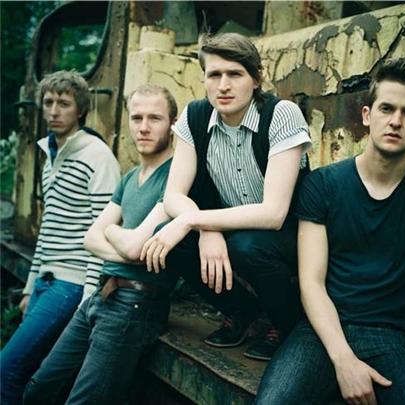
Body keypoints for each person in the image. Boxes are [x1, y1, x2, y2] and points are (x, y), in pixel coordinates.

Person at [256, 57, 405, 404]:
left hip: (395, 339)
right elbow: (311, 283)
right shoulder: (323, 185)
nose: (395, 121)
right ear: (366, 115)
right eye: (386, 108)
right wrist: (344, 361)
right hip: (322, 333)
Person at [141, 32, 311, 361]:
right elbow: (173, 195)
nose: (223, 85)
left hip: (290, 234)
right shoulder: (194, 116)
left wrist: (194, 220)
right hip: (232, 227)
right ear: (204, 79)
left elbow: (274, 213)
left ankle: (287, 323)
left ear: (256, 79)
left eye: (235, 74)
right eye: (214, 74)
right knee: (170, 239)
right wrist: (207, 230)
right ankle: (243, 311)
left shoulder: (281, 114)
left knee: (246, 246)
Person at [22, 85, 178, 404]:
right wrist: (127, 244)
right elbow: (91, 238)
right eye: (136, 118)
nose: (143, 127)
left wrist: (115, 234)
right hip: (102, 293)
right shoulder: (130, 177)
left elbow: (127, 246)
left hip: (136, 302)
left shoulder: (176, 177)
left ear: (173, 124)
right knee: (37, 390)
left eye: (155, 118)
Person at [0, 70, 120, 405]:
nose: (54, 111)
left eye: (63, 104)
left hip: (71, 284)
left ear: (80, 110)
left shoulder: (97, 156)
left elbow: (103, 230)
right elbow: (48, 228)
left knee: (6, 370)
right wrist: (29, 287)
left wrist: (88, 296)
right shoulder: (50, 155)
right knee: (27, 373)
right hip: (44, 282)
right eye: (48, 102)